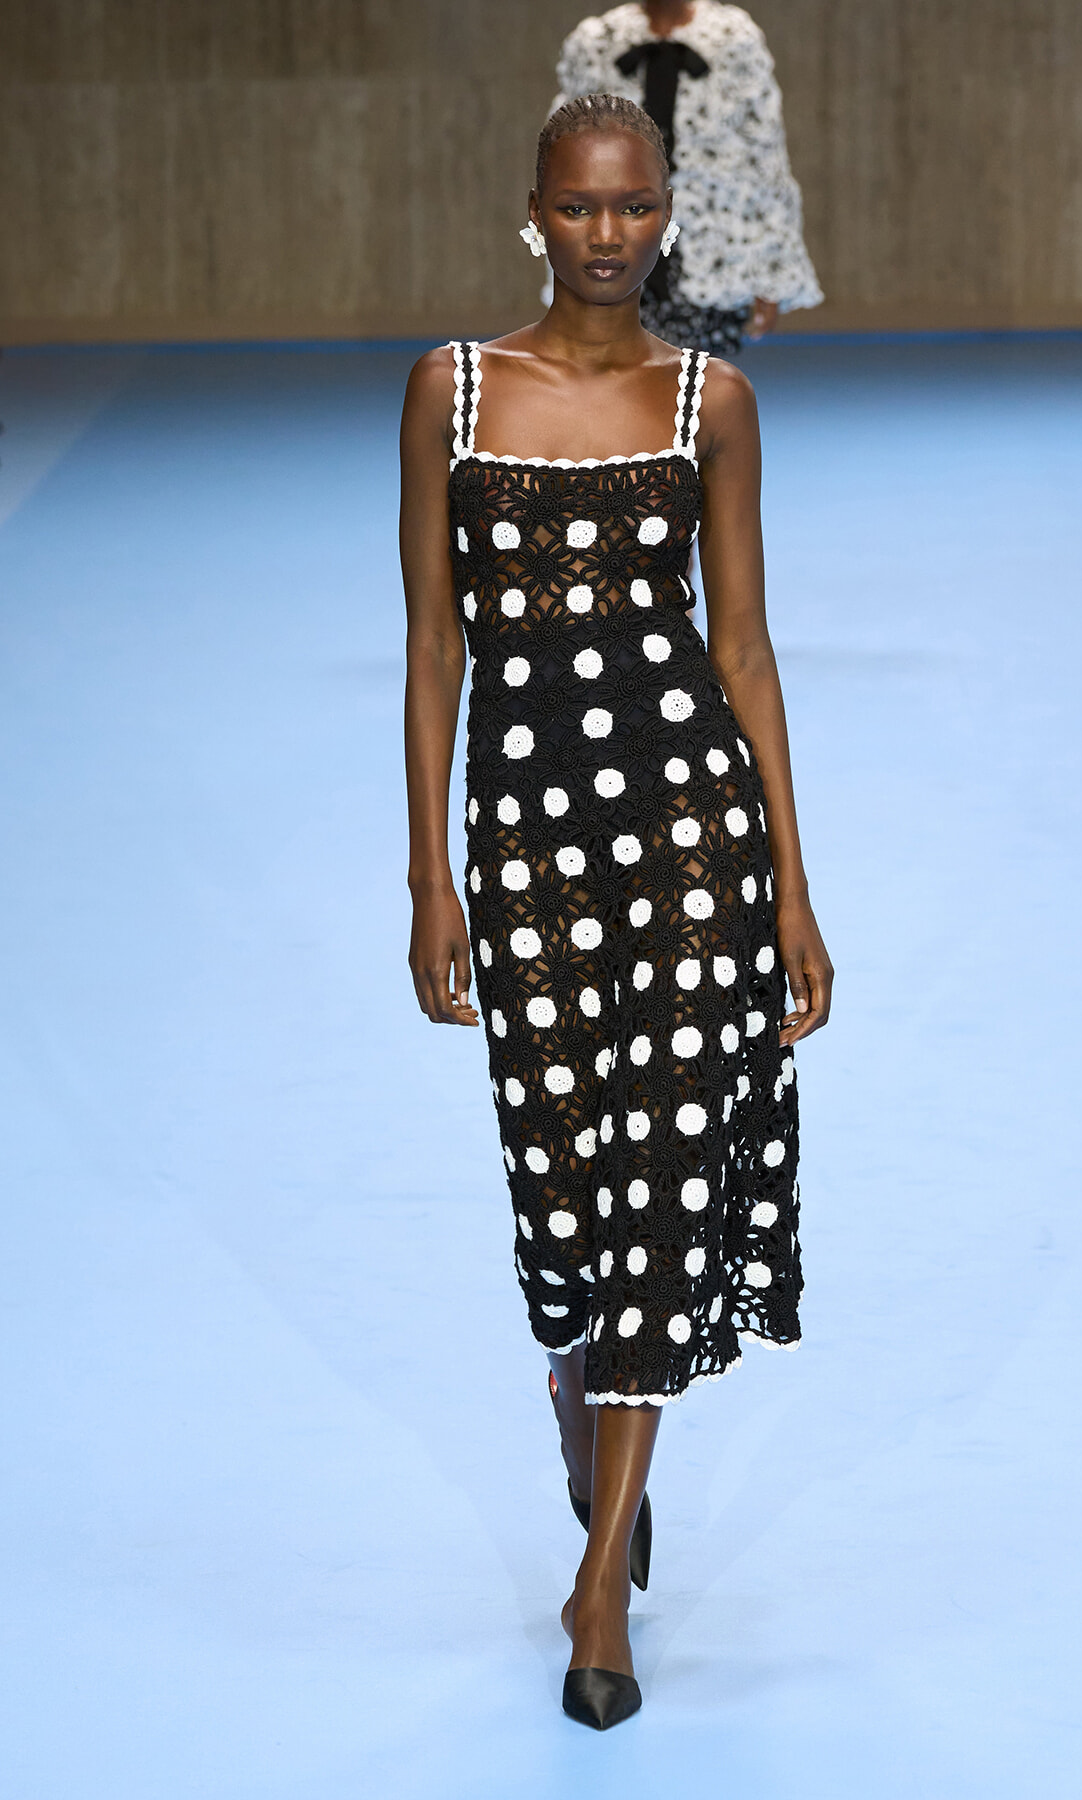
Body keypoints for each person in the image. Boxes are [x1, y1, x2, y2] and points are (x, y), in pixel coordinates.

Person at [400, 94, 832, 1730]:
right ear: (534, 212)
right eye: (580, 209)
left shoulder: (710, 400)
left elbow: (744, 654)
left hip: (689, 845)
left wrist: (791, 882)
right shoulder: (446, 395)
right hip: (526, 857)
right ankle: (594, 1413)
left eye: (634, 208)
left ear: (668, 215)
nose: (607, 236)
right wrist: (429, 871)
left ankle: (599, 1595)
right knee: (563, 1204)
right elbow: (437, 654)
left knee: (659, 1181)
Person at [551, 0, 823, 355]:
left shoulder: (733, 38)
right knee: (613, 380)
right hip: (614, 246)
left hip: (712, 252)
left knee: (694, 386)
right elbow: (563, 158)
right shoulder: (595, 41)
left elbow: (765, 162)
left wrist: (769, 274)